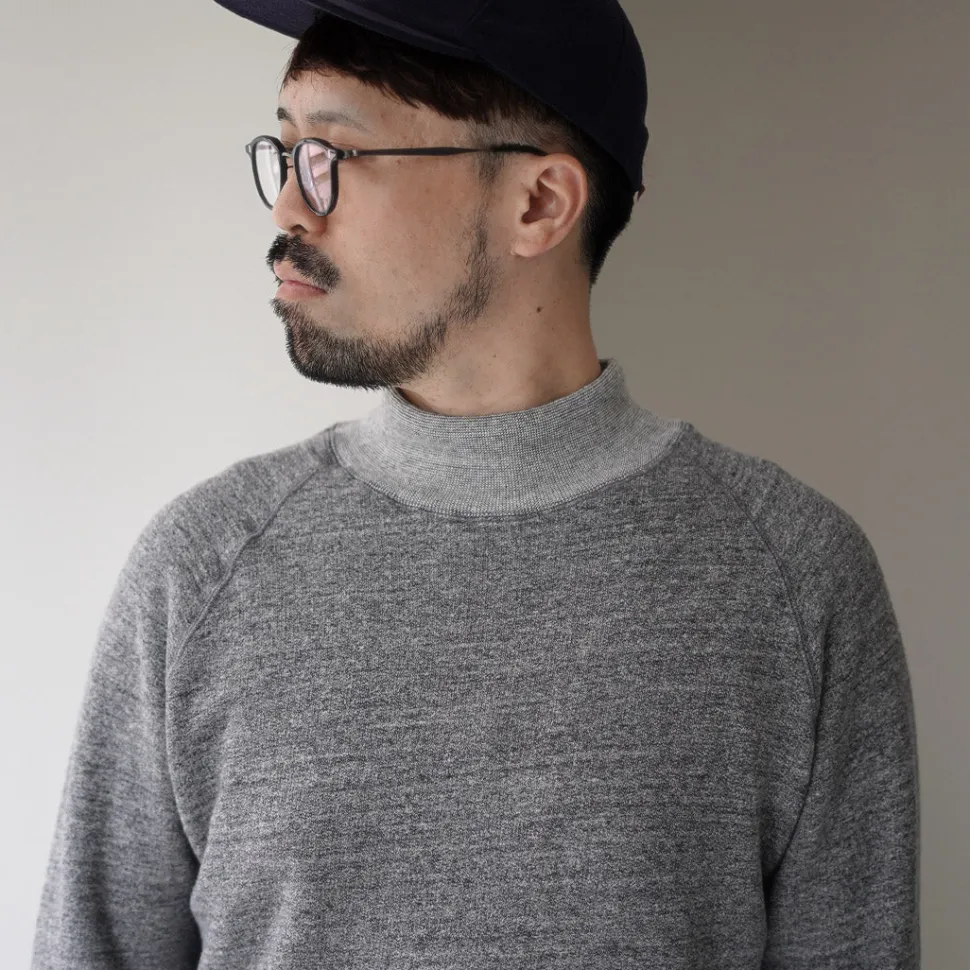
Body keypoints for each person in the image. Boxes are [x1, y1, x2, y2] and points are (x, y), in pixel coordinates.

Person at [30, 3, 920, 968]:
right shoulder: (200, 568)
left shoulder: (795, 581)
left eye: (332, 156)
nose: (289, 208)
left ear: (539, 203)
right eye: (285, 154)